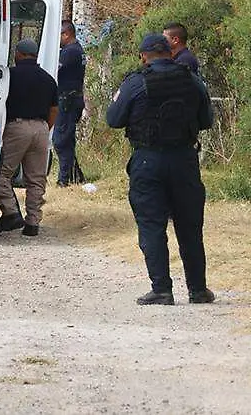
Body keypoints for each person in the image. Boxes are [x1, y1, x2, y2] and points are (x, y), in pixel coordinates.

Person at [106, 33, 215, 305]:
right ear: (170, 52)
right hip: (184, 160)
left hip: (148, 161)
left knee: (152, 225)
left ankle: (162, 289)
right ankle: (198, 290)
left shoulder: (135, 83)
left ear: (144, 56)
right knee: (190, 226)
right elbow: (206, 120)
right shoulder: (192, 80)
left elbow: (114, 119)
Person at [0, 38, 58, 237]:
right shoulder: (48, 79)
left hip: (16, 128)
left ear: (18, 54)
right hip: (41, 129)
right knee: (36, 179)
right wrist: (45, 127)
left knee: (2, 175)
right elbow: (54, 109)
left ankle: (11, 212)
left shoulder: (9, 76)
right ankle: (32, 224)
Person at [54, 20, 87, 186]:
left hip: (68, 100)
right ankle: (76, 176)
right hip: (74, 99)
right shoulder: (77, 49)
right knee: (66, 139)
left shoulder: (69, 52)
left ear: (66, 34)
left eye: (58, 35)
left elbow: (55, 70)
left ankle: (64, 179)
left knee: (60, 140)